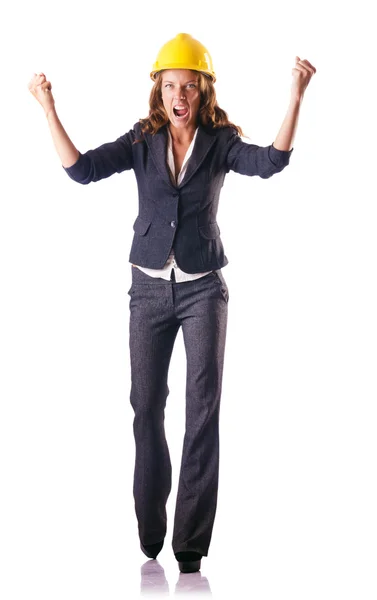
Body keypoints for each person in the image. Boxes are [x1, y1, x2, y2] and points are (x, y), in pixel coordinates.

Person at [28, 32, 316, 574]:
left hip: (205, 287)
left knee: (202, 413)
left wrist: (296, 96)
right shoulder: (142, 138)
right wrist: (49, 108)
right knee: (144, 407)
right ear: (158, 92)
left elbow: (271, 162)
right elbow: (82, 169)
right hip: (148, 289)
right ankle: (149, 528)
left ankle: (190, 542)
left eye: (188, 86)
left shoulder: (221, 139)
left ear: (203, 91)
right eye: (169, 86)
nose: (177, 96)